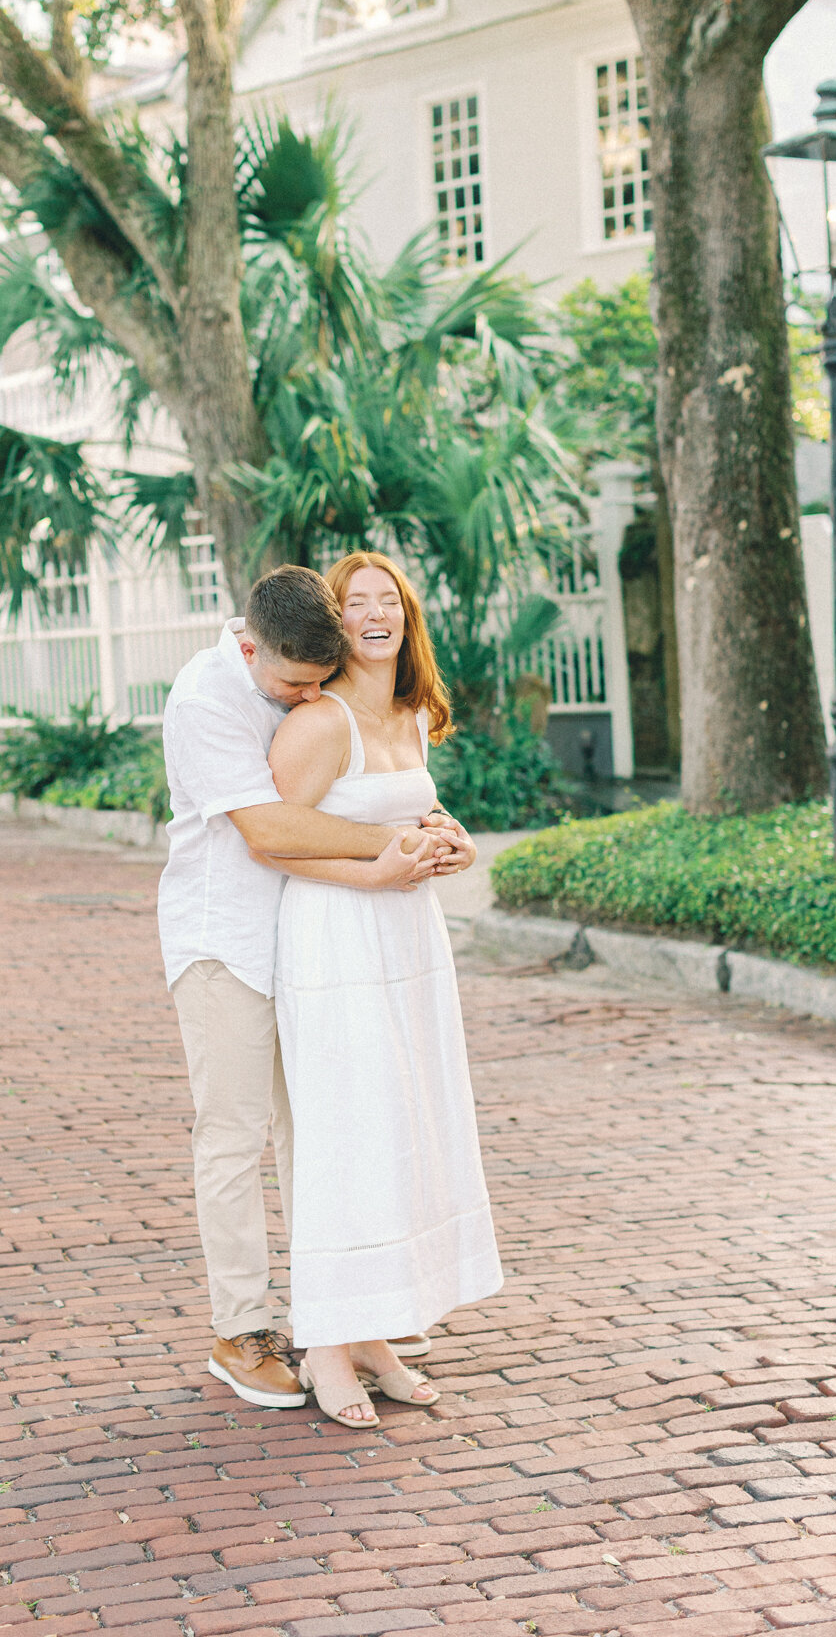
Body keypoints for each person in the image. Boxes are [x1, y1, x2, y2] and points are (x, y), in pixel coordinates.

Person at [158, 565, 474, 1410]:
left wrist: (427, 837)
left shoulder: (309, 673)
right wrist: (391, 844)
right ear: (250, 650)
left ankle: (341, 1315)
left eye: (316, 682)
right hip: (226, 940)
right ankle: (240, 1330)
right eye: (295, 685)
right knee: (234, 1133)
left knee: (322, 1134)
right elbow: (265, 828)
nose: (307, 698)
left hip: (309, 941)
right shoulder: (205, 700)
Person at [256, 551, 503, 1429]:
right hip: (337, 940)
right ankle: (325, 1342)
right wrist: (373, 872)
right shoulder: (320, 723)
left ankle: (372, 1333)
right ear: (335, 620)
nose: (373, 614)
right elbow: (273, 840)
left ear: (406, 617)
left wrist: (453, 843)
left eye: (387, 600)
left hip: (410, 939)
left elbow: (408, 820)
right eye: (355, 601)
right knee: (345, 1133)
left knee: (400, 1127)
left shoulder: (410, 715)